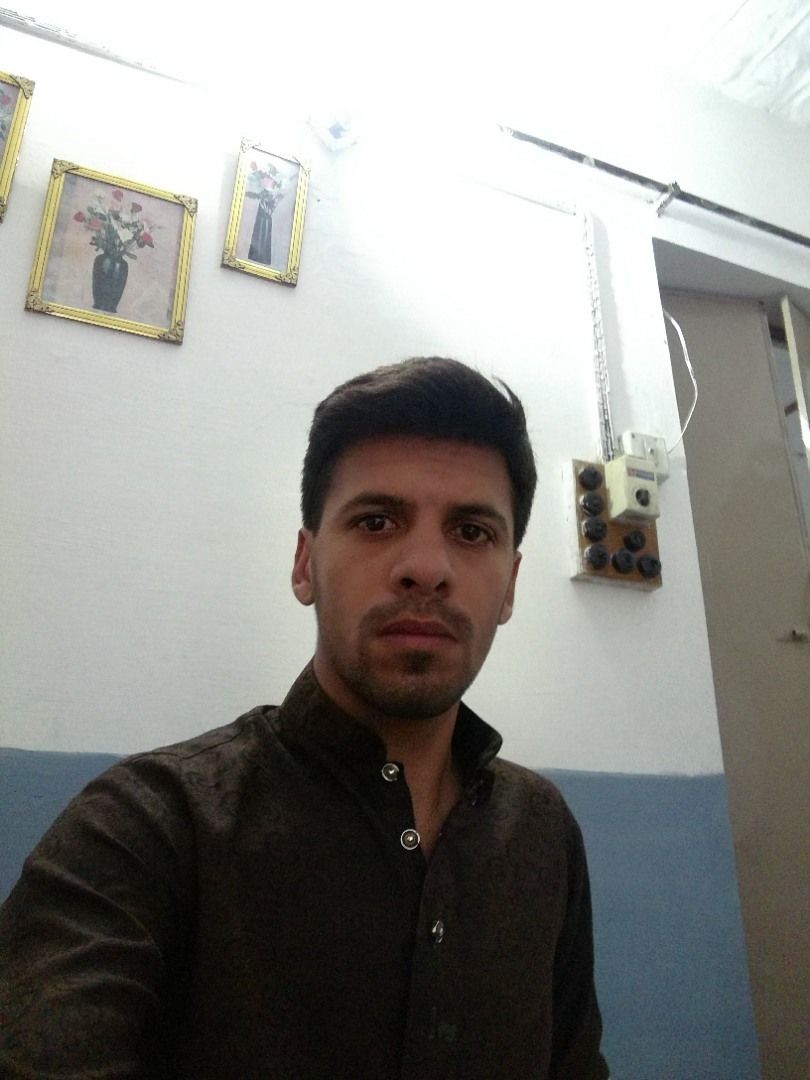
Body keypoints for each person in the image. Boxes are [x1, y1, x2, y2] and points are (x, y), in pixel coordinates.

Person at [0, 357, 608, 1079]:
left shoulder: (542, 830)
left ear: (509, 587)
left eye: (472, 532)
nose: (426, 566)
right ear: (304, 564)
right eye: (376, 521)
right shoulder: (148, 826)